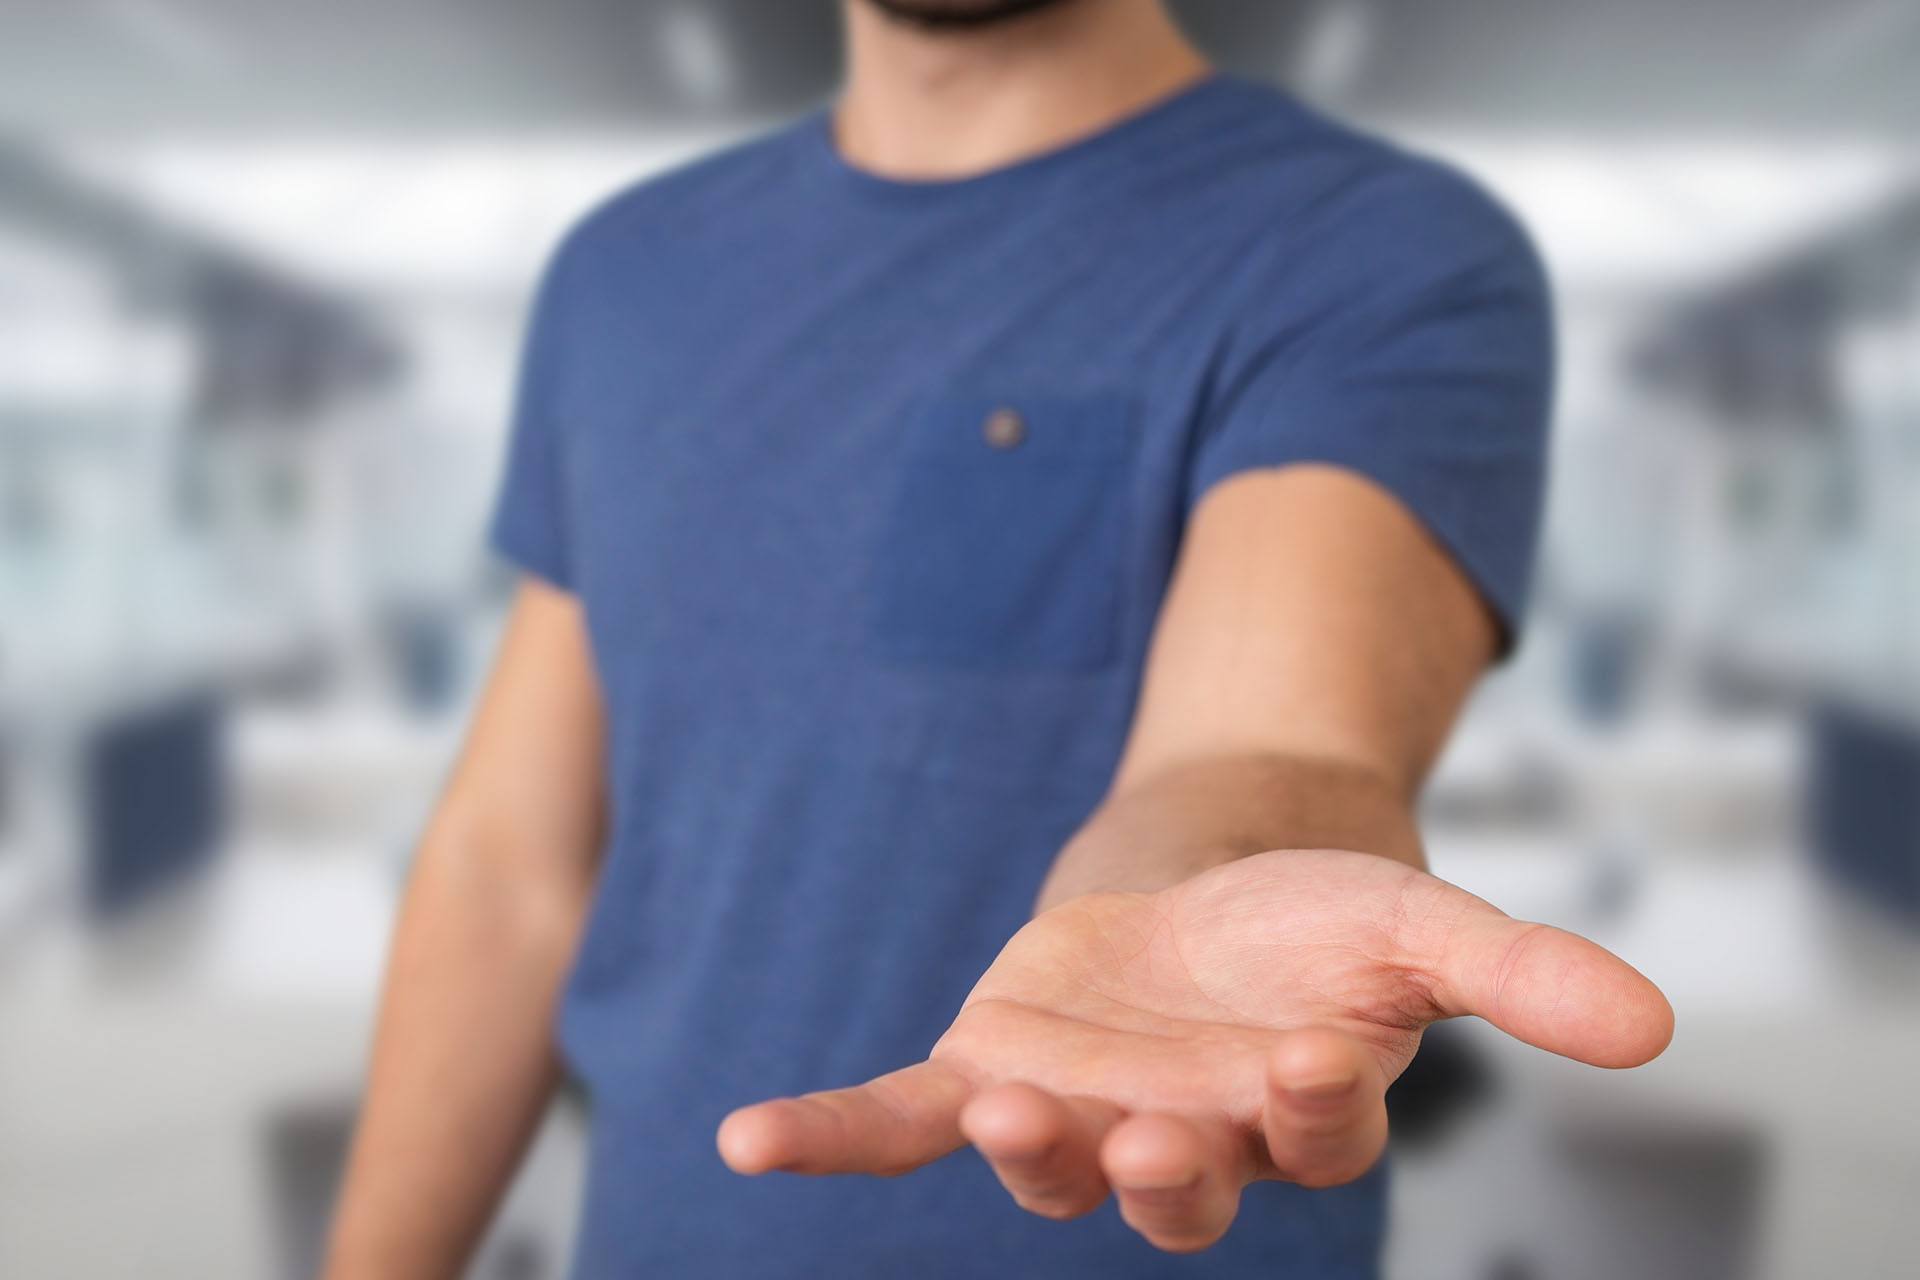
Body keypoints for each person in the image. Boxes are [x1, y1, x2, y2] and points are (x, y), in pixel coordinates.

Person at [324, 0, 1674, 1275]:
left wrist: (1193, 905)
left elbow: (1268, 743)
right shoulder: (624, 272)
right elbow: (511, 865)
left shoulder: (1375, 247)